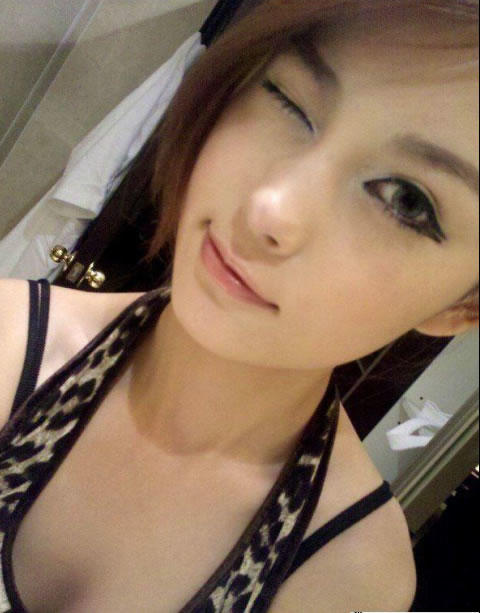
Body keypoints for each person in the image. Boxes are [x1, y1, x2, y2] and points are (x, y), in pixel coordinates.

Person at [0, 1, 478, 611]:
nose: (269, 209)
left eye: (407, 200)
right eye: (288, 100)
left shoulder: (347, 574)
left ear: (462, 308)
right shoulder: (9, 340)